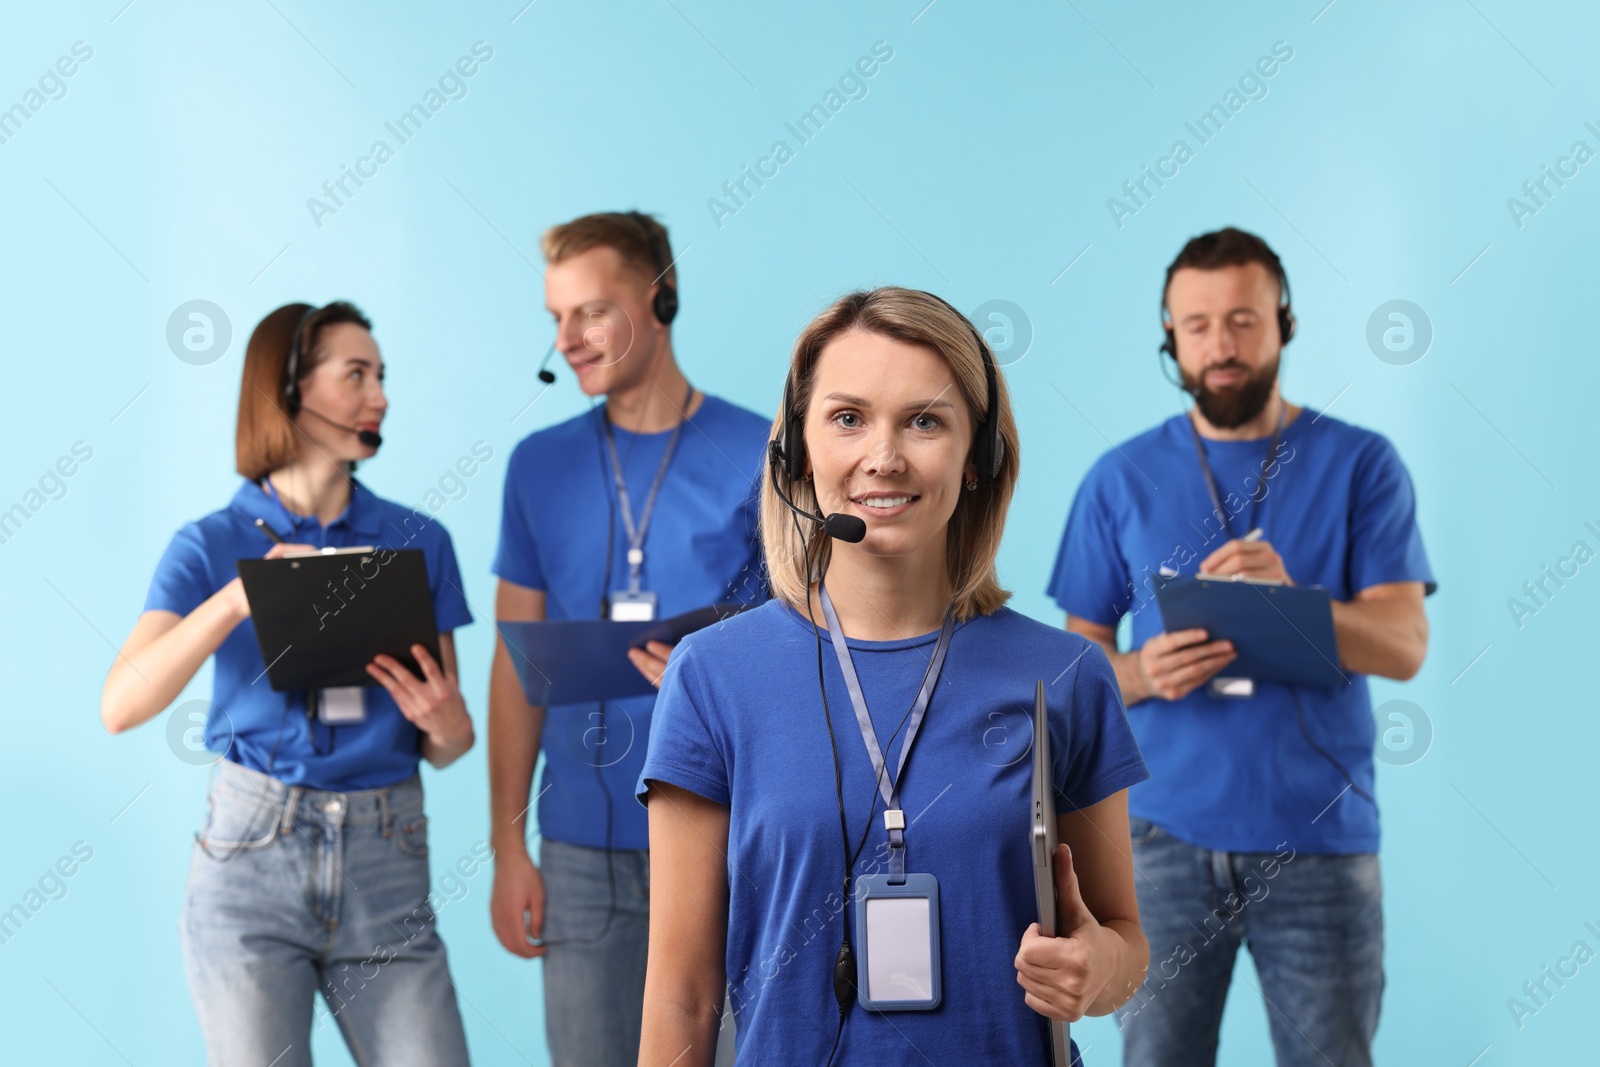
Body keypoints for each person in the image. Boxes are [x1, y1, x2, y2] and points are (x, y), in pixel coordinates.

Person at [637, 287, 1152, 1066]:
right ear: (796, 454)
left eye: (925, 419)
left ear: (977, 458)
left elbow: (1123, 940)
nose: (884, 456)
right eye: (848, 418)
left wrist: (1098, 969)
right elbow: (684, 990)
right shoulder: (711, 676)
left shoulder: (1067, 674)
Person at [1048, 227, 1435, 1067]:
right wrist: (1141, 673)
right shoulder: (1119, 477)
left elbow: (1405, 645)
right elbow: (1073, 673)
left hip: (1319, 842)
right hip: (1158, 845)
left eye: (1242, 321)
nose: (1220, 346)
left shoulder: (1363, 464)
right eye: (1197, 326)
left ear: (1284, 323)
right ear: (1171, 340)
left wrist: (1295, 607)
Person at [100, 301, 477, 1066]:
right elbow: (121, 704)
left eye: (382, 376)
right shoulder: (207, 544)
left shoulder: (420, 541)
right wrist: (242, 594)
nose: (381, 396)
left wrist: (444, 719)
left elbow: (450, 745)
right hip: (250, 860)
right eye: (357, 375)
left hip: (388, 850)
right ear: (289, 391)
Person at [487, 211, 769, 1067]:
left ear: (660, 298)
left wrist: (709, 669)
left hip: (725, 838)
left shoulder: (764, 451)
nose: (568, 338)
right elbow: (513, 663)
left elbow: (813, 647)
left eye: (591, 312)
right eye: (555, 318)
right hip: (575, 853)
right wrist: (508, 846)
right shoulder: (536, 464)